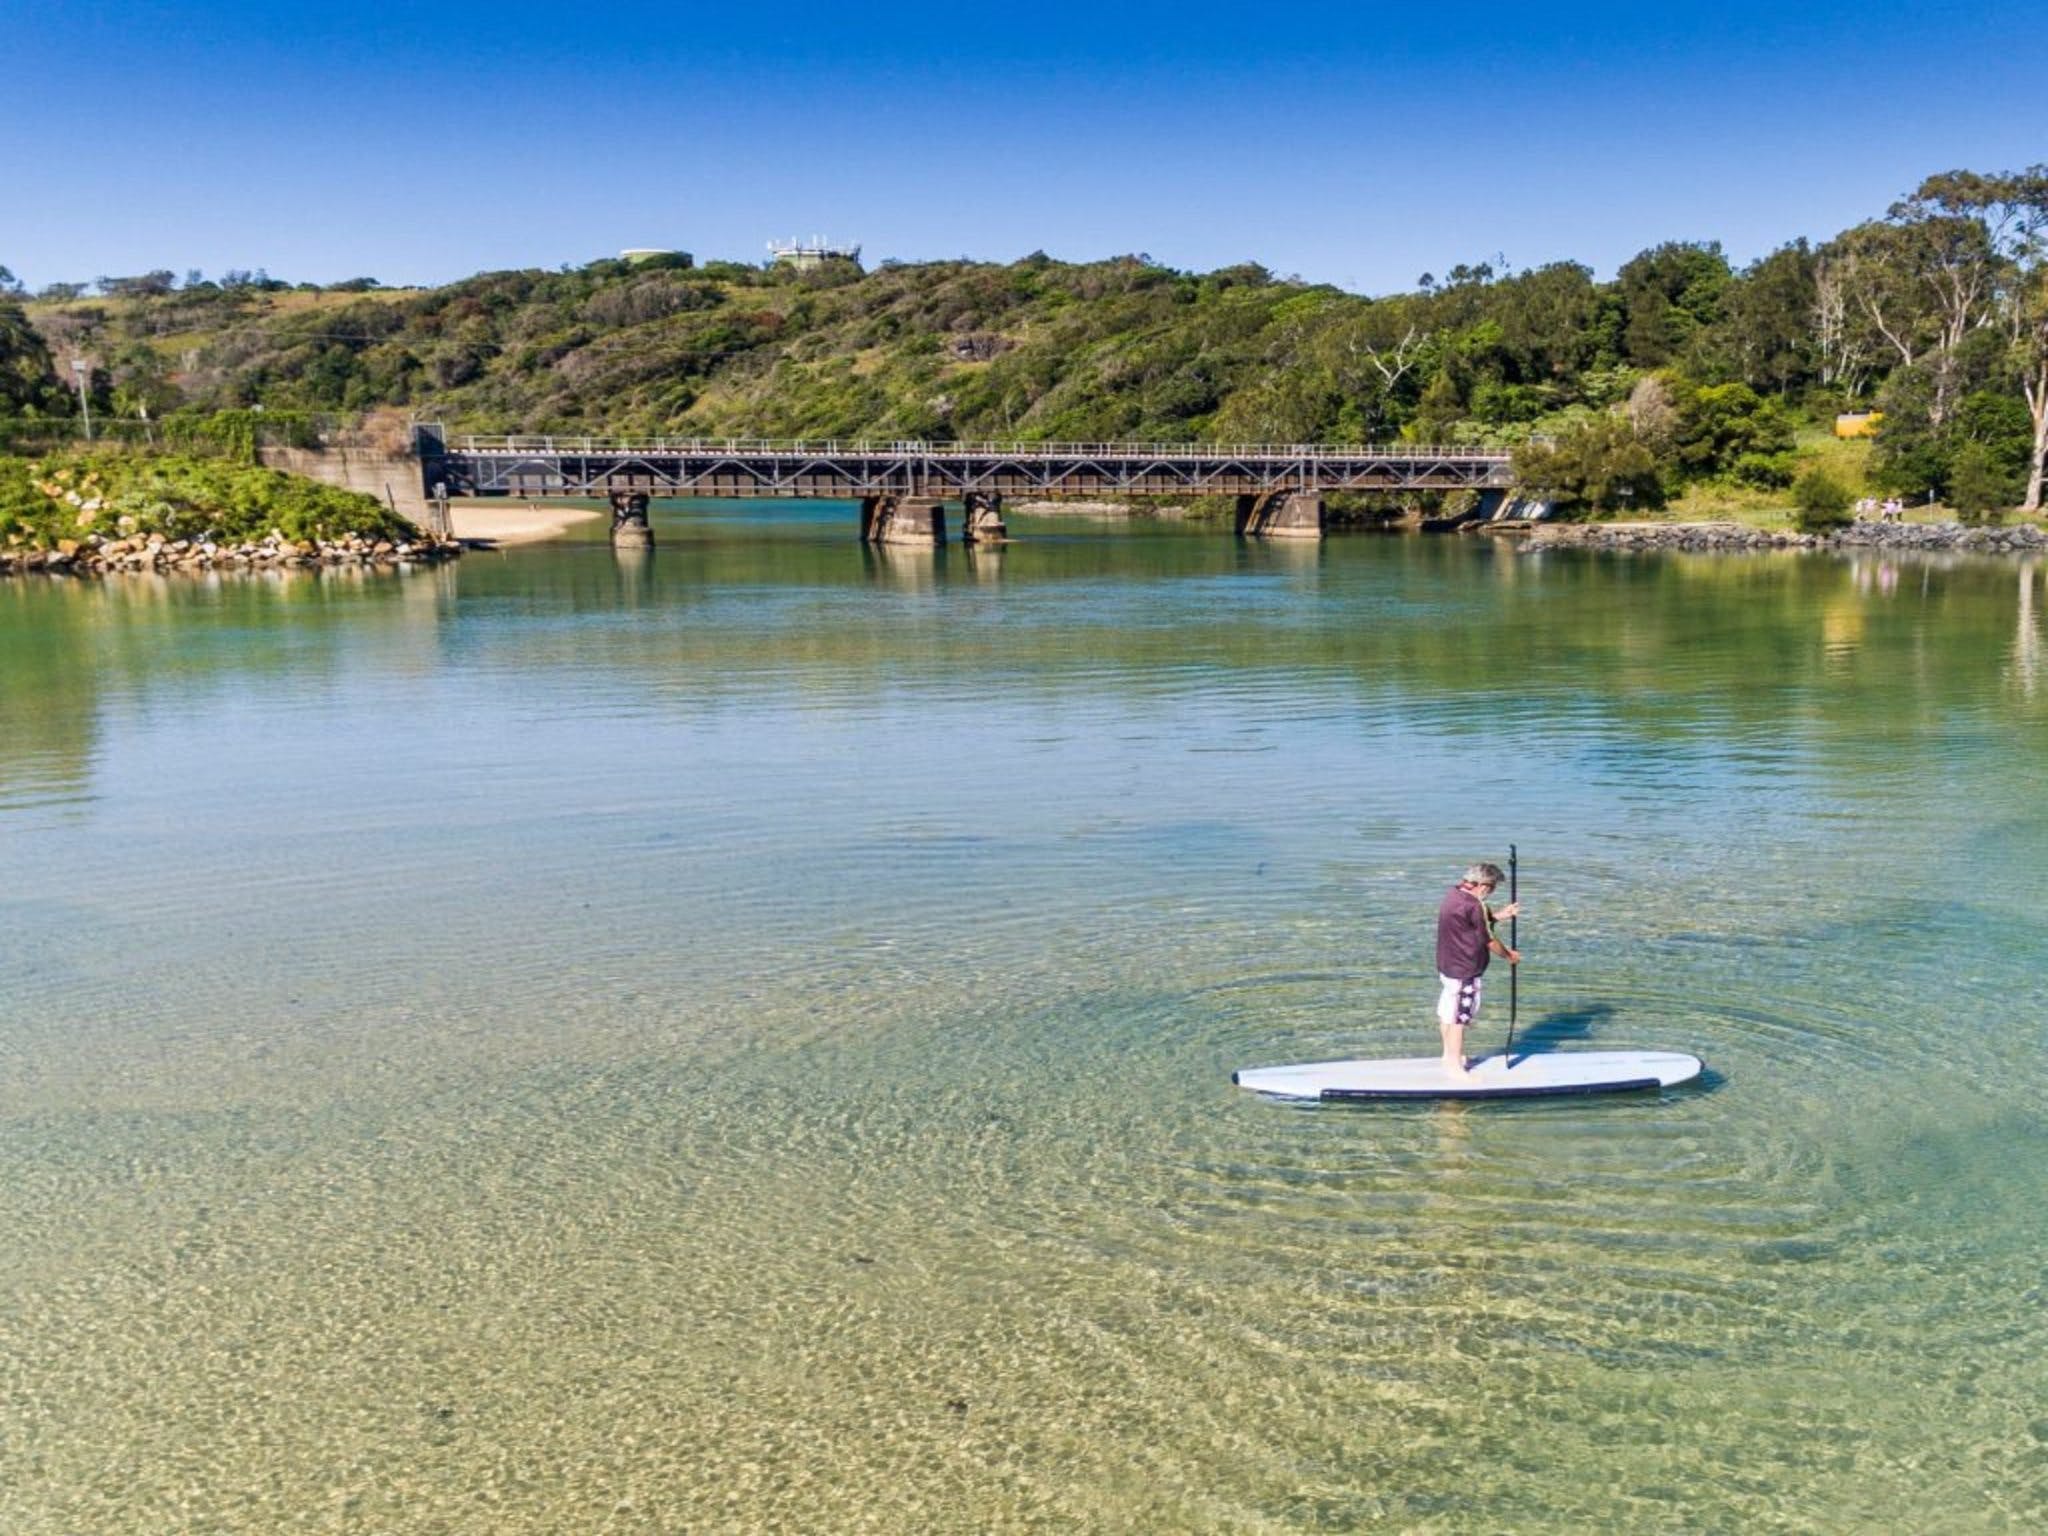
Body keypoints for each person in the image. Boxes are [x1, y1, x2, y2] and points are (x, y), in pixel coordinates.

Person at [1435, 862, 1521, 1076]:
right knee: (1459, 1018)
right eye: (1491, 890)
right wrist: (1509, 956)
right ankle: (1455, 1067)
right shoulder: (1476, 905)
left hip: (1448, 965)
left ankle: (1448, 1055)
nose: (1490, 894)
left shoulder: (1453, 894)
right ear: (1483, 886)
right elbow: (1489, 941)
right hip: (1466, 970)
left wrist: (1497, 916)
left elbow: (1470, 921)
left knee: (1448, 1011)